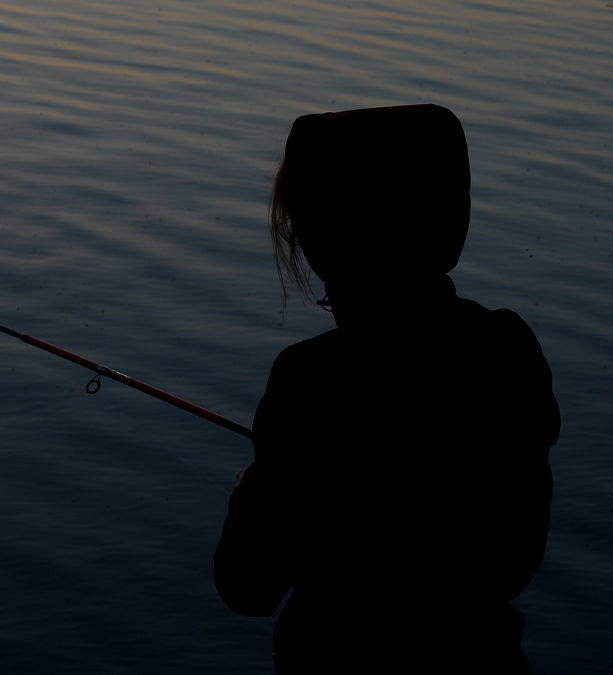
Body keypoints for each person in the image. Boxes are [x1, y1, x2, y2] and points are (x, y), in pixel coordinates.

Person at [214, 104, 558, 674]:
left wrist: (255, 486)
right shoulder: (506, 352)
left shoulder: (310, 380)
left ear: (324, 237)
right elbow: (513, 564)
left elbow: (247, 589)